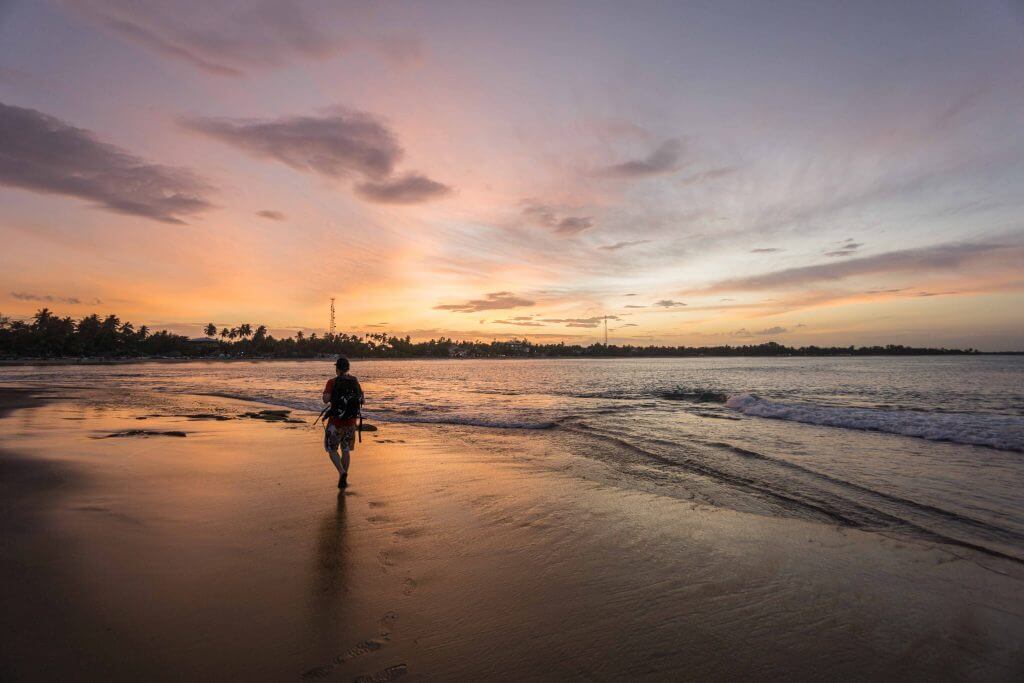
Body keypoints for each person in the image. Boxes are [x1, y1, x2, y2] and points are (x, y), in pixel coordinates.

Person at [322, 356, 364, 488]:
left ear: (337, 369)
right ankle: (345, 473)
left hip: (335, 422)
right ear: (348, 368)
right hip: (351, 423)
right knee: (346, 450)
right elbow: (362, 400)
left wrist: (333, 397)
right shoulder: (355, 381)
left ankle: (341, 472)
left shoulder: (332, 382)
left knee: (331, 449)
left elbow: (325, 399)